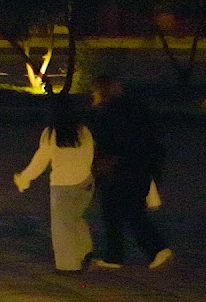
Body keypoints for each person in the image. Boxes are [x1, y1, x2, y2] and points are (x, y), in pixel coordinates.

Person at [89, 76, 173, 269]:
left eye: (94, 92)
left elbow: (107, 144)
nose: (92, 96)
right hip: (140, 167)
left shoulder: (107, 113)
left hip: (119, 170)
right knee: (131, 211)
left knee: (115, 212)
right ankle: (151, 250)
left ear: (102, 92)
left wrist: (100, 166)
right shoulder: (135, 110)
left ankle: (126, 254)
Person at [14, 96, 99, 273]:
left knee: (62, 227)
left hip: (63, 185)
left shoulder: (51, 134)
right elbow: (90, 156)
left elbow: (40, 161)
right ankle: (85, 251)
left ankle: (69, 265)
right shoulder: (83, 131)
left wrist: (24, 178)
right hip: (85, 183)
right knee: (76, 218)